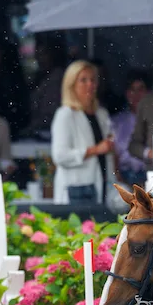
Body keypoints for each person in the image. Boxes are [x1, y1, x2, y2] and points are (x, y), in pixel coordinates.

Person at [50, 60, 115, 205]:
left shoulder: (101, 113)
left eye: (93, 80)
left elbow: (108, 150)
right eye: (83, 80)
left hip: (101, 182)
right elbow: (60, 156)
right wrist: (95, 150)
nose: (90, 85)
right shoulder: (65, 114)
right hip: (76, 187)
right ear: (71, 85)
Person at [112, 70, 150, 187]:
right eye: (132, 90)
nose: (136, 94)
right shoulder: (117, 122)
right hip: (125, 176)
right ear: (127, 93)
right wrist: (118, 179)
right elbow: (113, 153)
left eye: (140, 89)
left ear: (148, 93)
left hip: (150, 175)